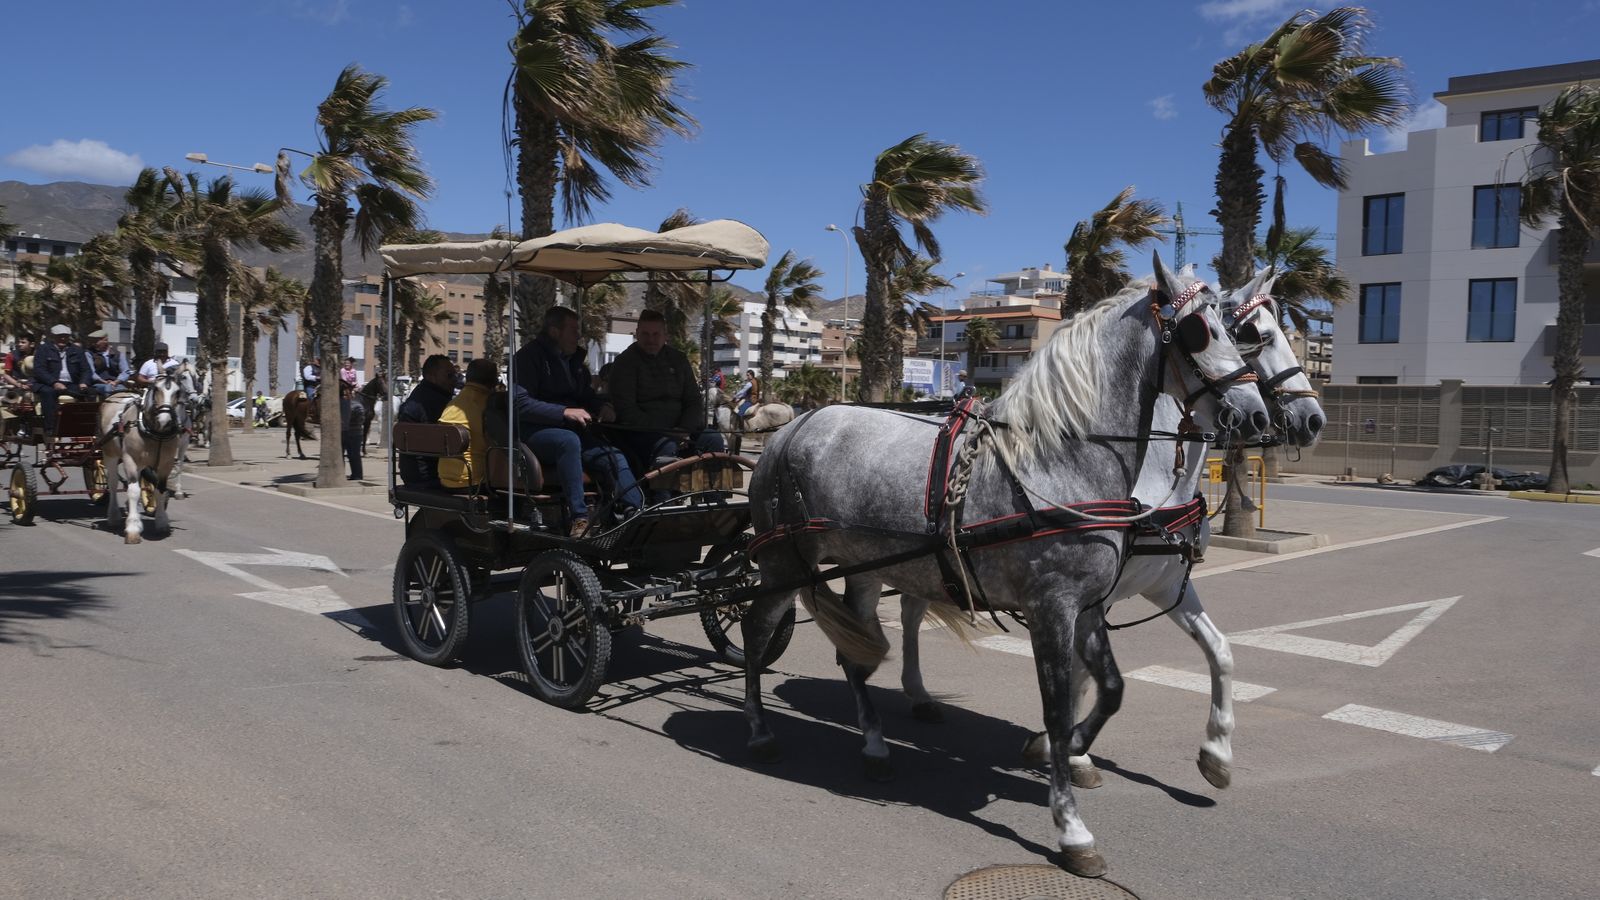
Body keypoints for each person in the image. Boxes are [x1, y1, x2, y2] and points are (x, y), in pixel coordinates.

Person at [506, 305, 642, 536]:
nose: (578, 336)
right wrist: (563, 412)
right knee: (567, 441)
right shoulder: (526, 358)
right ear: (554, 331)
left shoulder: (574, 363)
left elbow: (585, 396)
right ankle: (579, 518)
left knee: (612, 455)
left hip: (571, 430)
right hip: (533, 432)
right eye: (573, 330)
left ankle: (636, 512)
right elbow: (518, 404)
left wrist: (602, 406)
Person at [608, 309, 725, 471]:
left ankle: (714, 495)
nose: (651, 339)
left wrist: (684, 429)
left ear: (665, 335)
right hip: (642, 433)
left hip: (681, 430)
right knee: (667, 448)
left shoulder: (679, 359)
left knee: (713, 440)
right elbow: (626, 409)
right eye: (645, 334)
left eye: (656, 334)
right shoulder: (625, 362)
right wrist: (668, 432)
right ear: (637, 333)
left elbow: (693, 400)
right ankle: (662, 496)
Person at [437, 358, 497, 493]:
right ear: (493, 381)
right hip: (474, 480)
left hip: (445, 478)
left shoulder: (453, 404)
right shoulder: (489, 405)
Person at [396, 354, 457, 487]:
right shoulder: (441, 404)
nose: (454, 380)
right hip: (432, 474)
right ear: (431, 376)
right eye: (449, 375)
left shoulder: (417, 396)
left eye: (454, 375)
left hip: (410, 472)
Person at [31, 324, 92, 435]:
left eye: (65, 336)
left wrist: (84, 382)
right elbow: (39, 370)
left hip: (71, 384)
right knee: (48, 393)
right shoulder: (43, 349)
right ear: (53, 336)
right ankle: (51, 428)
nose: (63, 338)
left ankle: (88, 427)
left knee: (91, 393)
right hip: (48, 384)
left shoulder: (77, 350)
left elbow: (86, 370)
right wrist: (54, 382)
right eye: (60, 336)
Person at [85, 330, 132, 396]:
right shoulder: (89, 354)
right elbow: (91, 372)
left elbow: (125, 371)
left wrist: (116, 382)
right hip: (98, 384)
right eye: (92, 342)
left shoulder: (118, 354)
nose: (93, 344)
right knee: (108, 389)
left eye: (96, 342)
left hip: (117, 384)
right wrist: (104, 381)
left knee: (126, 394)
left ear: (106, 340)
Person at [339, 381, 365, 481]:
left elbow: (360, 420)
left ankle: (357, 475)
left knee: (354, 455)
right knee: (341, 455)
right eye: (344, 394)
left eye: (348, 393)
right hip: (344, 433)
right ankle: (342, 474)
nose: (346, 395)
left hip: (355, 433)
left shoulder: (357, 406)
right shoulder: (340, 404)